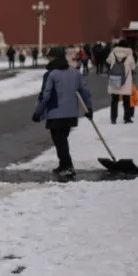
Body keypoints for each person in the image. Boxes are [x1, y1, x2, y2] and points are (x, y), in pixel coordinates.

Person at [33, 47, 93, 179]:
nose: (48, 59)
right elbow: (85, 92)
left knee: (59, 140)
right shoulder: (75, 73)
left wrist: (38, 112)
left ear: (53, 58)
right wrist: (89, 109)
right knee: (62, 139)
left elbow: (45, 95)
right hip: (71, 113)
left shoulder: (51, 74)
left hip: (55, 113)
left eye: (49, 57)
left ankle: (67, 166)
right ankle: (63, 164)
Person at [107, 40, 136, 124]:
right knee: (126, 100)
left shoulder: (113, 53)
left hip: (115, 79)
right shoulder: (129, 55)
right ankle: (127, 118)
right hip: (125, 81)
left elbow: (108, 61)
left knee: (114, 100)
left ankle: (113, 118)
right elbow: (133, 67)